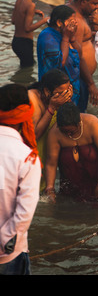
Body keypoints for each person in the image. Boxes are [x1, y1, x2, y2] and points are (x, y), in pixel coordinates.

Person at [0, 84, 41, 275]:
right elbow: (24, 212)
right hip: (9, 254)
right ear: (24, 116)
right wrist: (4, 241)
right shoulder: (26, 157)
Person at [45, 102, 98, 202]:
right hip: (71, 186)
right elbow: (51, 164)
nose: (68, 134)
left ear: (78, 123)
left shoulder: (93, 124)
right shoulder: (54, 133)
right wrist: (50, 189)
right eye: (64, 131)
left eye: (72, 131)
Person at [28, 69, 73, 191]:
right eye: (61, 93)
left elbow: (69, 122)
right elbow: (34, 135)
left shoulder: (56, 99)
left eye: (67, 92)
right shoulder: (32, 98)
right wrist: (52, 107)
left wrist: (68, 101)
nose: (64, 96)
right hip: (28, 158)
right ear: (47, 91)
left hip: (46, 157)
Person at [36, 5, 81, 107]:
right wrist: (66, 38)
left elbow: (79, 55)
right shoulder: (47, 37)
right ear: (59, 23)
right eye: (71, 21)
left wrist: (72, 37)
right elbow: (60, 63)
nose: (74, 23)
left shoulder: (62, 34)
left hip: (70, 89)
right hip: (56, 91)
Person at [68, 0, 98, 112]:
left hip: (80, 77)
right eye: (95, 3)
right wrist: (91, 84)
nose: (97, 8)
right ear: (83, 1)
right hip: (78, 79)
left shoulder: (77, 14)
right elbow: (77, 56)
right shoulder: (75, 20)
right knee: (77, 117)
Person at [11, 0, 48, 68]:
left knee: (25, 66)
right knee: (28, 70)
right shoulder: (31, 5)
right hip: (25, 43)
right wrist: (44, 20)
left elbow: (13, 20)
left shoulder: (19, 0)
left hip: (15, 42)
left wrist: (33, 12)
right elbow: (27, 28)